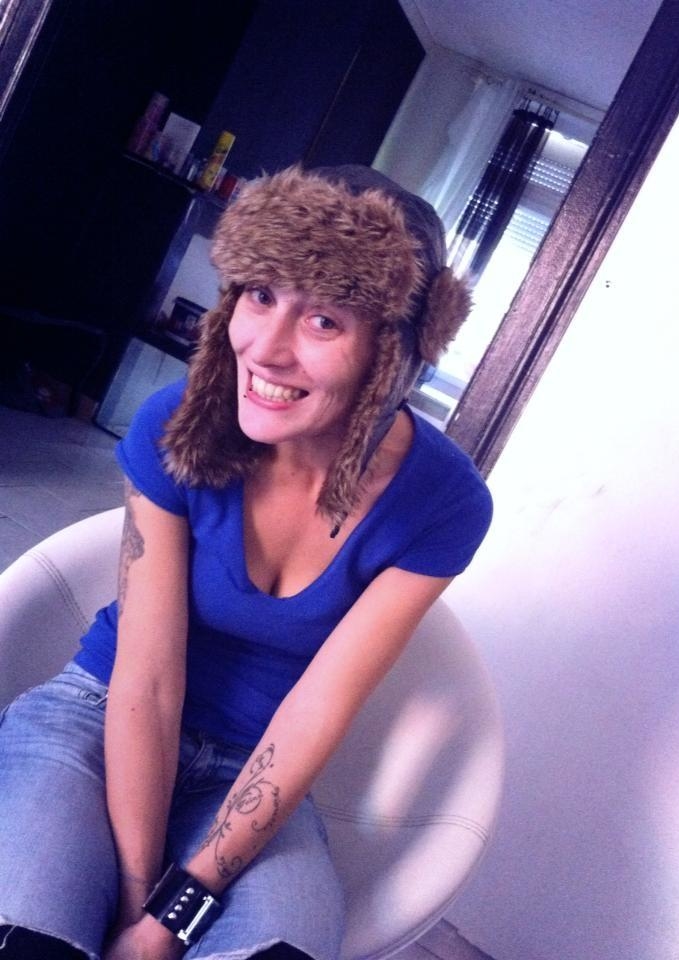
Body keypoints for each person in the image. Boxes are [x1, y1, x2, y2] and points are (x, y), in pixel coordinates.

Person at [0, 164, 492, 960]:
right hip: (97, 719)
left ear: (397, 352)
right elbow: (147, 679)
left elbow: (313, 714)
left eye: (324, 319)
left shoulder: (443, 503)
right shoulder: (175, 424)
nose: (264, 348)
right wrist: (136, 898)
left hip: (254, 772)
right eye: (261, 294)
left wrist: (172, 920)